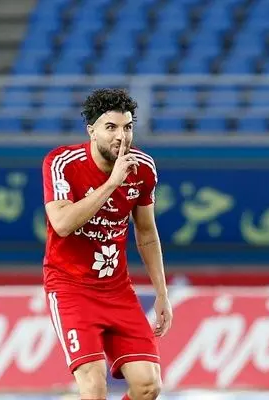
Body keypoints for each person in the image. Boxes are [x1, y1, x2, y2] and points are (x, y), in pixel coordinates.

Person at [42, 88, 172, 400]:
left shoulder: (143, 168)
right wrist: (113, 182)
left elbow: (147, 233)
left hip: (117, 289)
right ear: (92, 131)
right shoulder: (61, 163)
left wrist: (162, 293)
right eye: (111, 127)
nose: (121, 137)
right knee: (94, 390)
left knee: (148, 386)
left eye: (127, 127)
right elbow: (62, 223)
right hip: (71, 287)